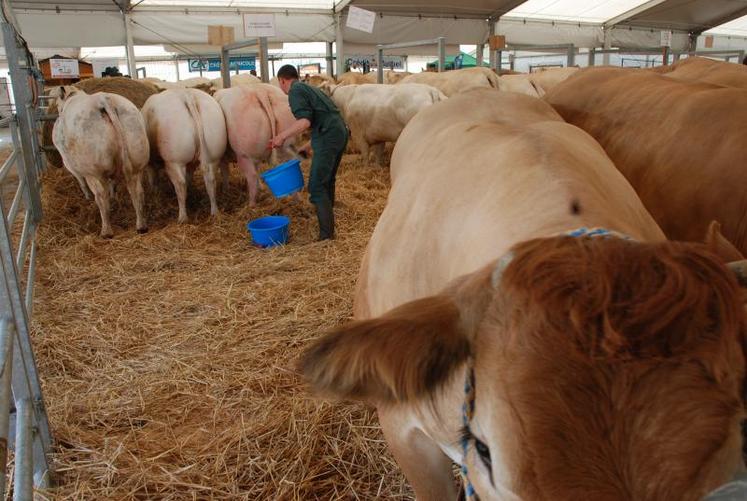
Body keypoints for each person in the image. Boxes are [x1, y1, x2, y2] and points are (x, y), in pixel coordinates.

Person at [269, 64, 348, 241]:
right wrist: (310, 144)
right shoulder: (309, 88)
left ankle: (326, 236)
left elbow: (304, 121)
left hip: (329, 135)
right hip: (339, 131)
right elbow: (326, 116)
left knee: (316, 186)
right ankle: (328, 219)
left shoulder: (295, 92)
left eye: (279, 83)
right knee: (327, 180)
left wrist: (281, 136)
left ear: (282, 80)